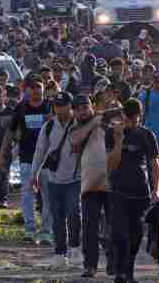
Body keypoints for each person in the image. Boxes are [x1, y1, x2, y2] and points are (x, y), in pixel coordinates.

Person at [105, 98, 159, 283]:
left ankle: (127, 271)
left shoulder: (147, 135)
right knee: (119, 234)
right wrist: (119, 141)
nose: (132, 123)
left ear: (140, 116)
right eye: (128, 120)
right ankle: (120, 271)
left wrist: (156, 189)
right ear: (122, 115)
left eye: (135, 120)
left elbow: (154, 164)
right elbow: (110, 165)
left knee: (136, 235)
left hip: (140, 191)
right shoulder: (112, 133)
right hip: (118, 190)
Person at [32, 91, 81, 267]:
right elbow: (40, 151)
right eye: (57, 106)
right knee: (58, 218)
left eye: (64, 106)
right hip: (53, 179)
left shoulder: (80, 124)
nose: (60, 110)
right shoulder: (49, 126)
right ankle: (60, 254)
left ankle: (75, 249)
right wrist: (33, 175)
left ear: (71, 105)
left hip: (76, 178)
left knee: (75, 214)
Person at [2, 78, 53, 244]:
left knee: (47, 196)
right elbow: (10, 131)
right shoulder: (21, 107)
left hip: (48, 159)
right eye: (33, 87)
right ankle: (29, 228)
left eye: (39, 87)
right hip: (26, 156)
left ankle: (46, 231)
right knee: (27, 194)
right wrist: (4, 152)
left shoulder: (51, 106)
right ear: (28, 90)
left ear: (44, 89)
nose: (36, 90)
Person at [69, 95, 109, 277]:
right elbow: (75, 140)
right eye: (79, 109)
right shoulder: (76, 128)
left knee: (114, 226)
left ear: (91, 106)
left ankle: (115, 263)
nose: (84, 111)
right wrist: (94, 123)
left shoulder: (106, 121)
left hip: (111, 183)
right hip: (90, 185)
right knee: (90, 227)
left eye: (86, 107)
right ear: (74, 111)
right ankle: (90, 265)